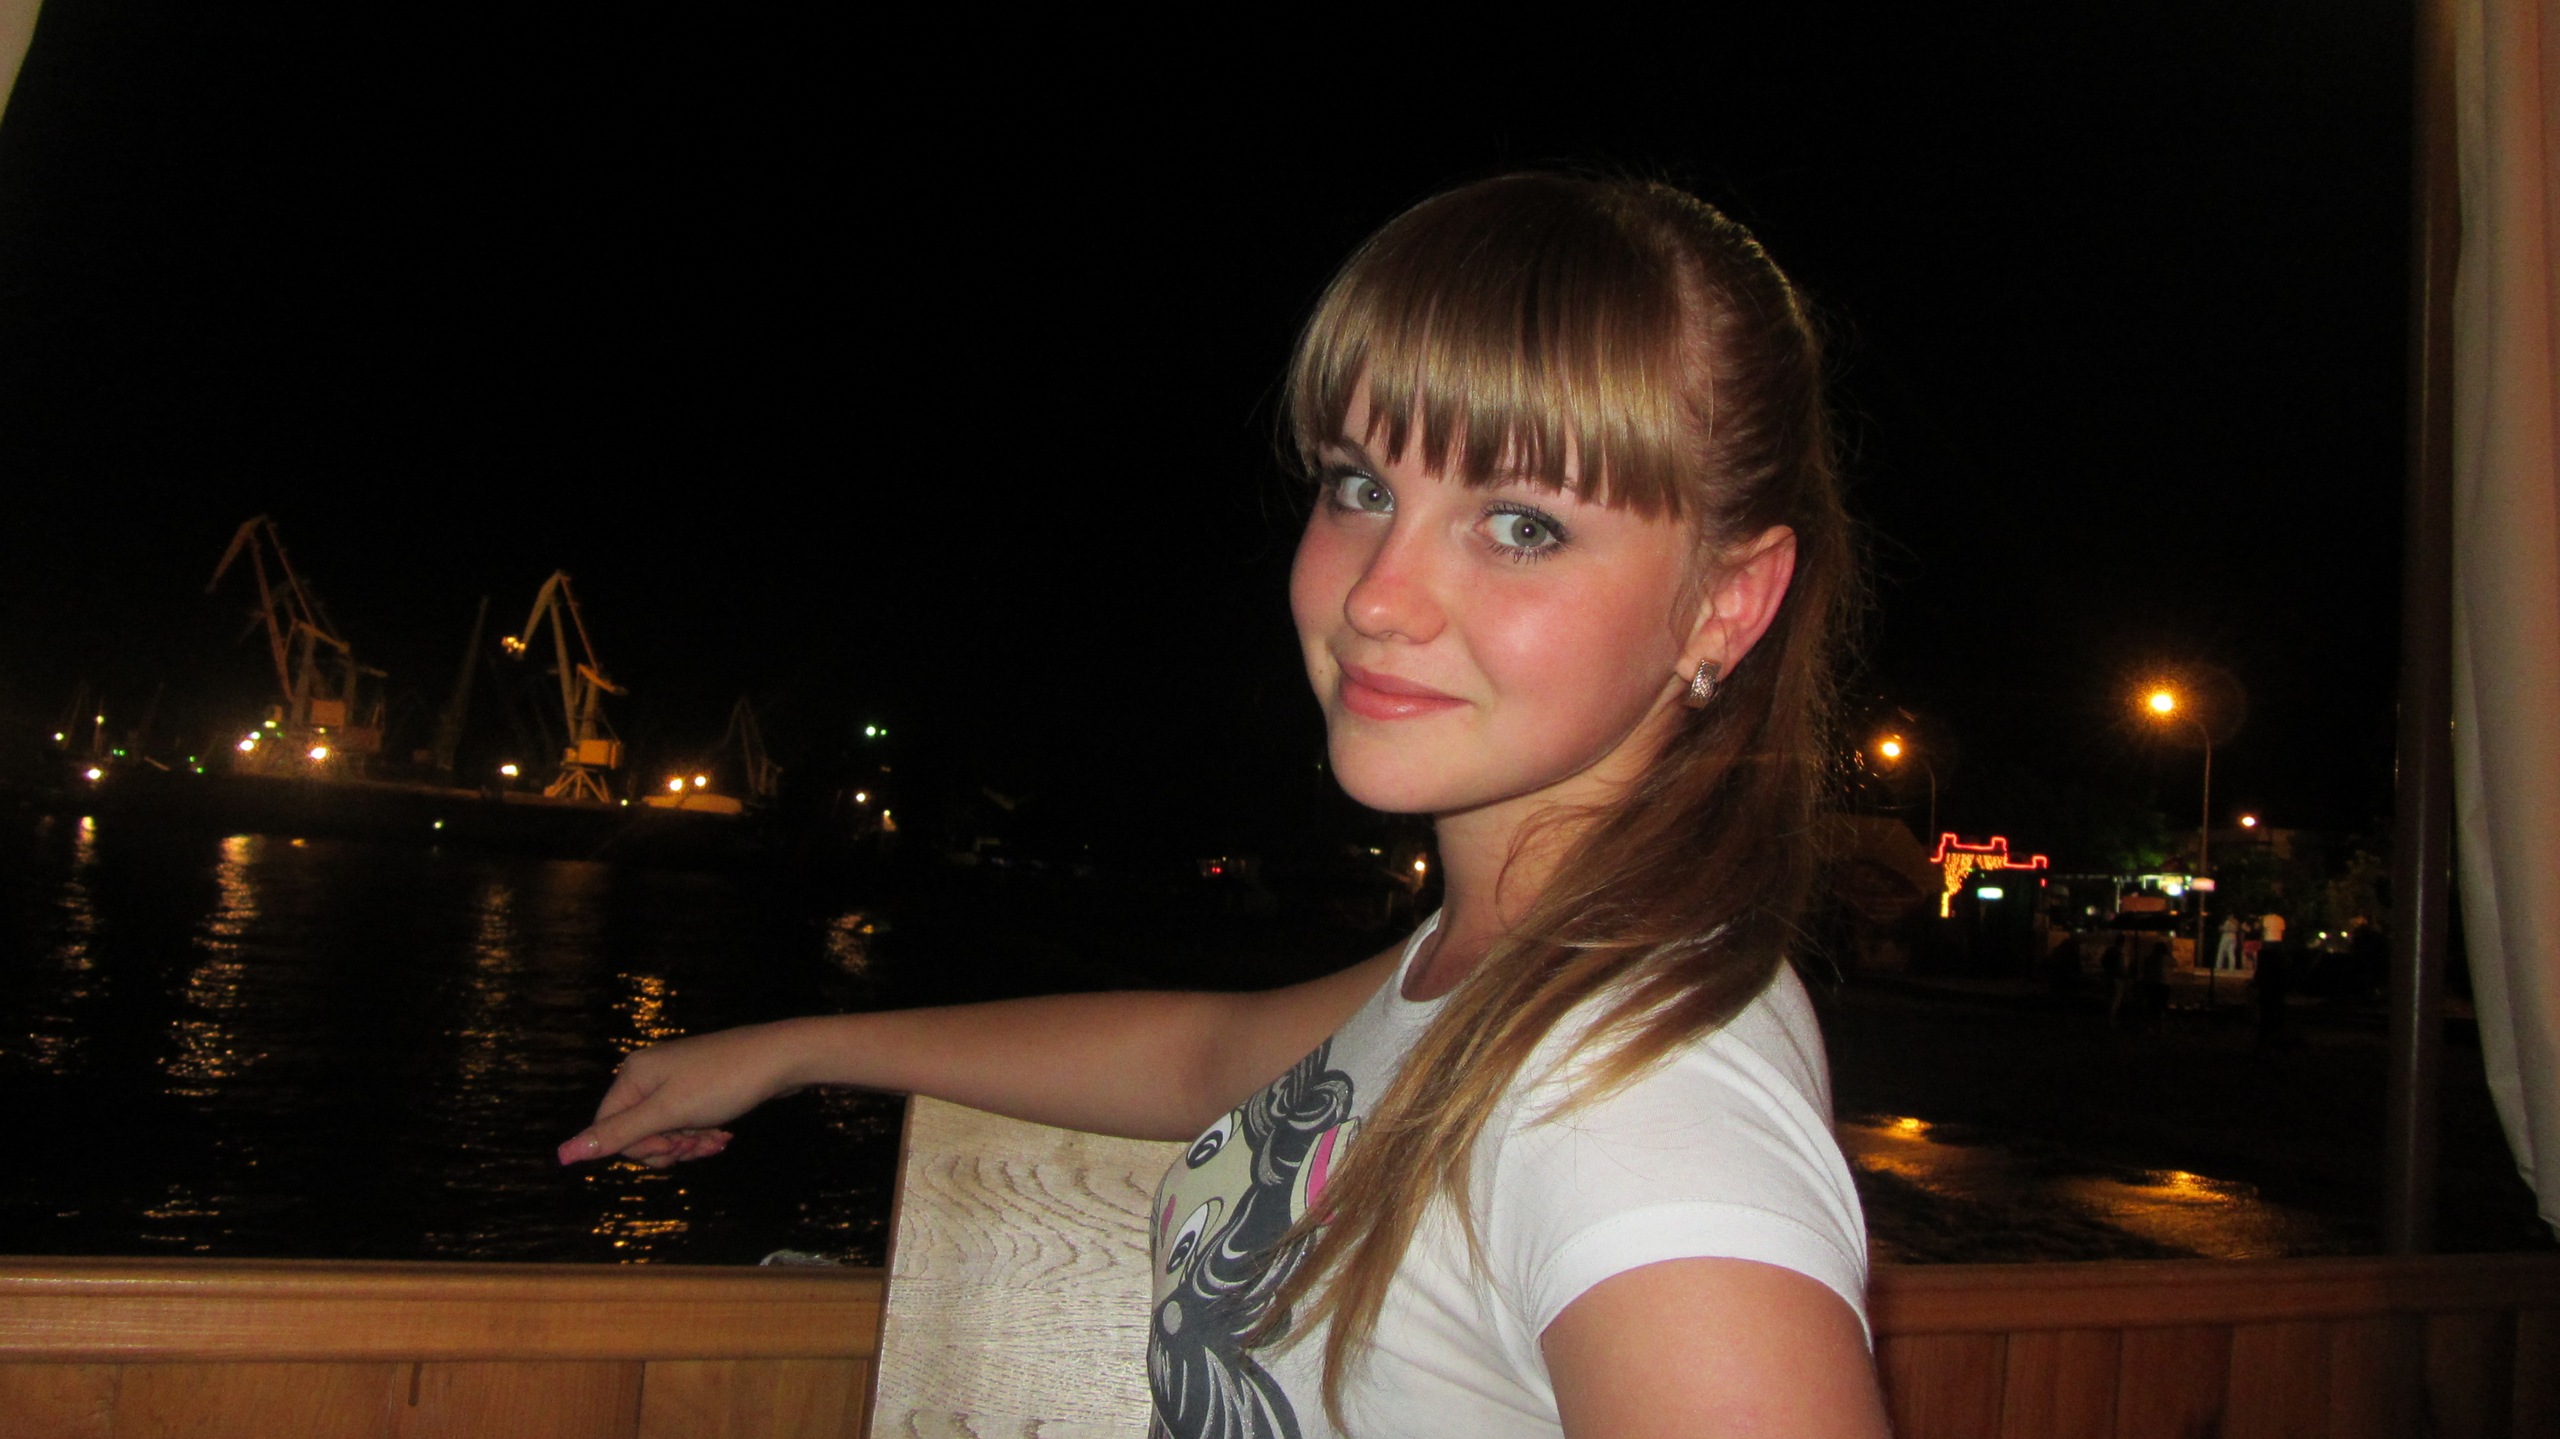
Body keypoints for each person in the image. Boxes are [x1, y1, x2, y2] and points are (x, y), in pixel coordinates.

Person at [556, 174, 1887, 1438]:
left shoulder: (1647, 1109)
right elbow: (1208, 1053)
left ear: (1726, 603)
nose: (1377, 594)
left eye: (1522, 523)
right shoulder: (1500, 972)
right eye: (1362, 486)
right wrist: (797, 1048)